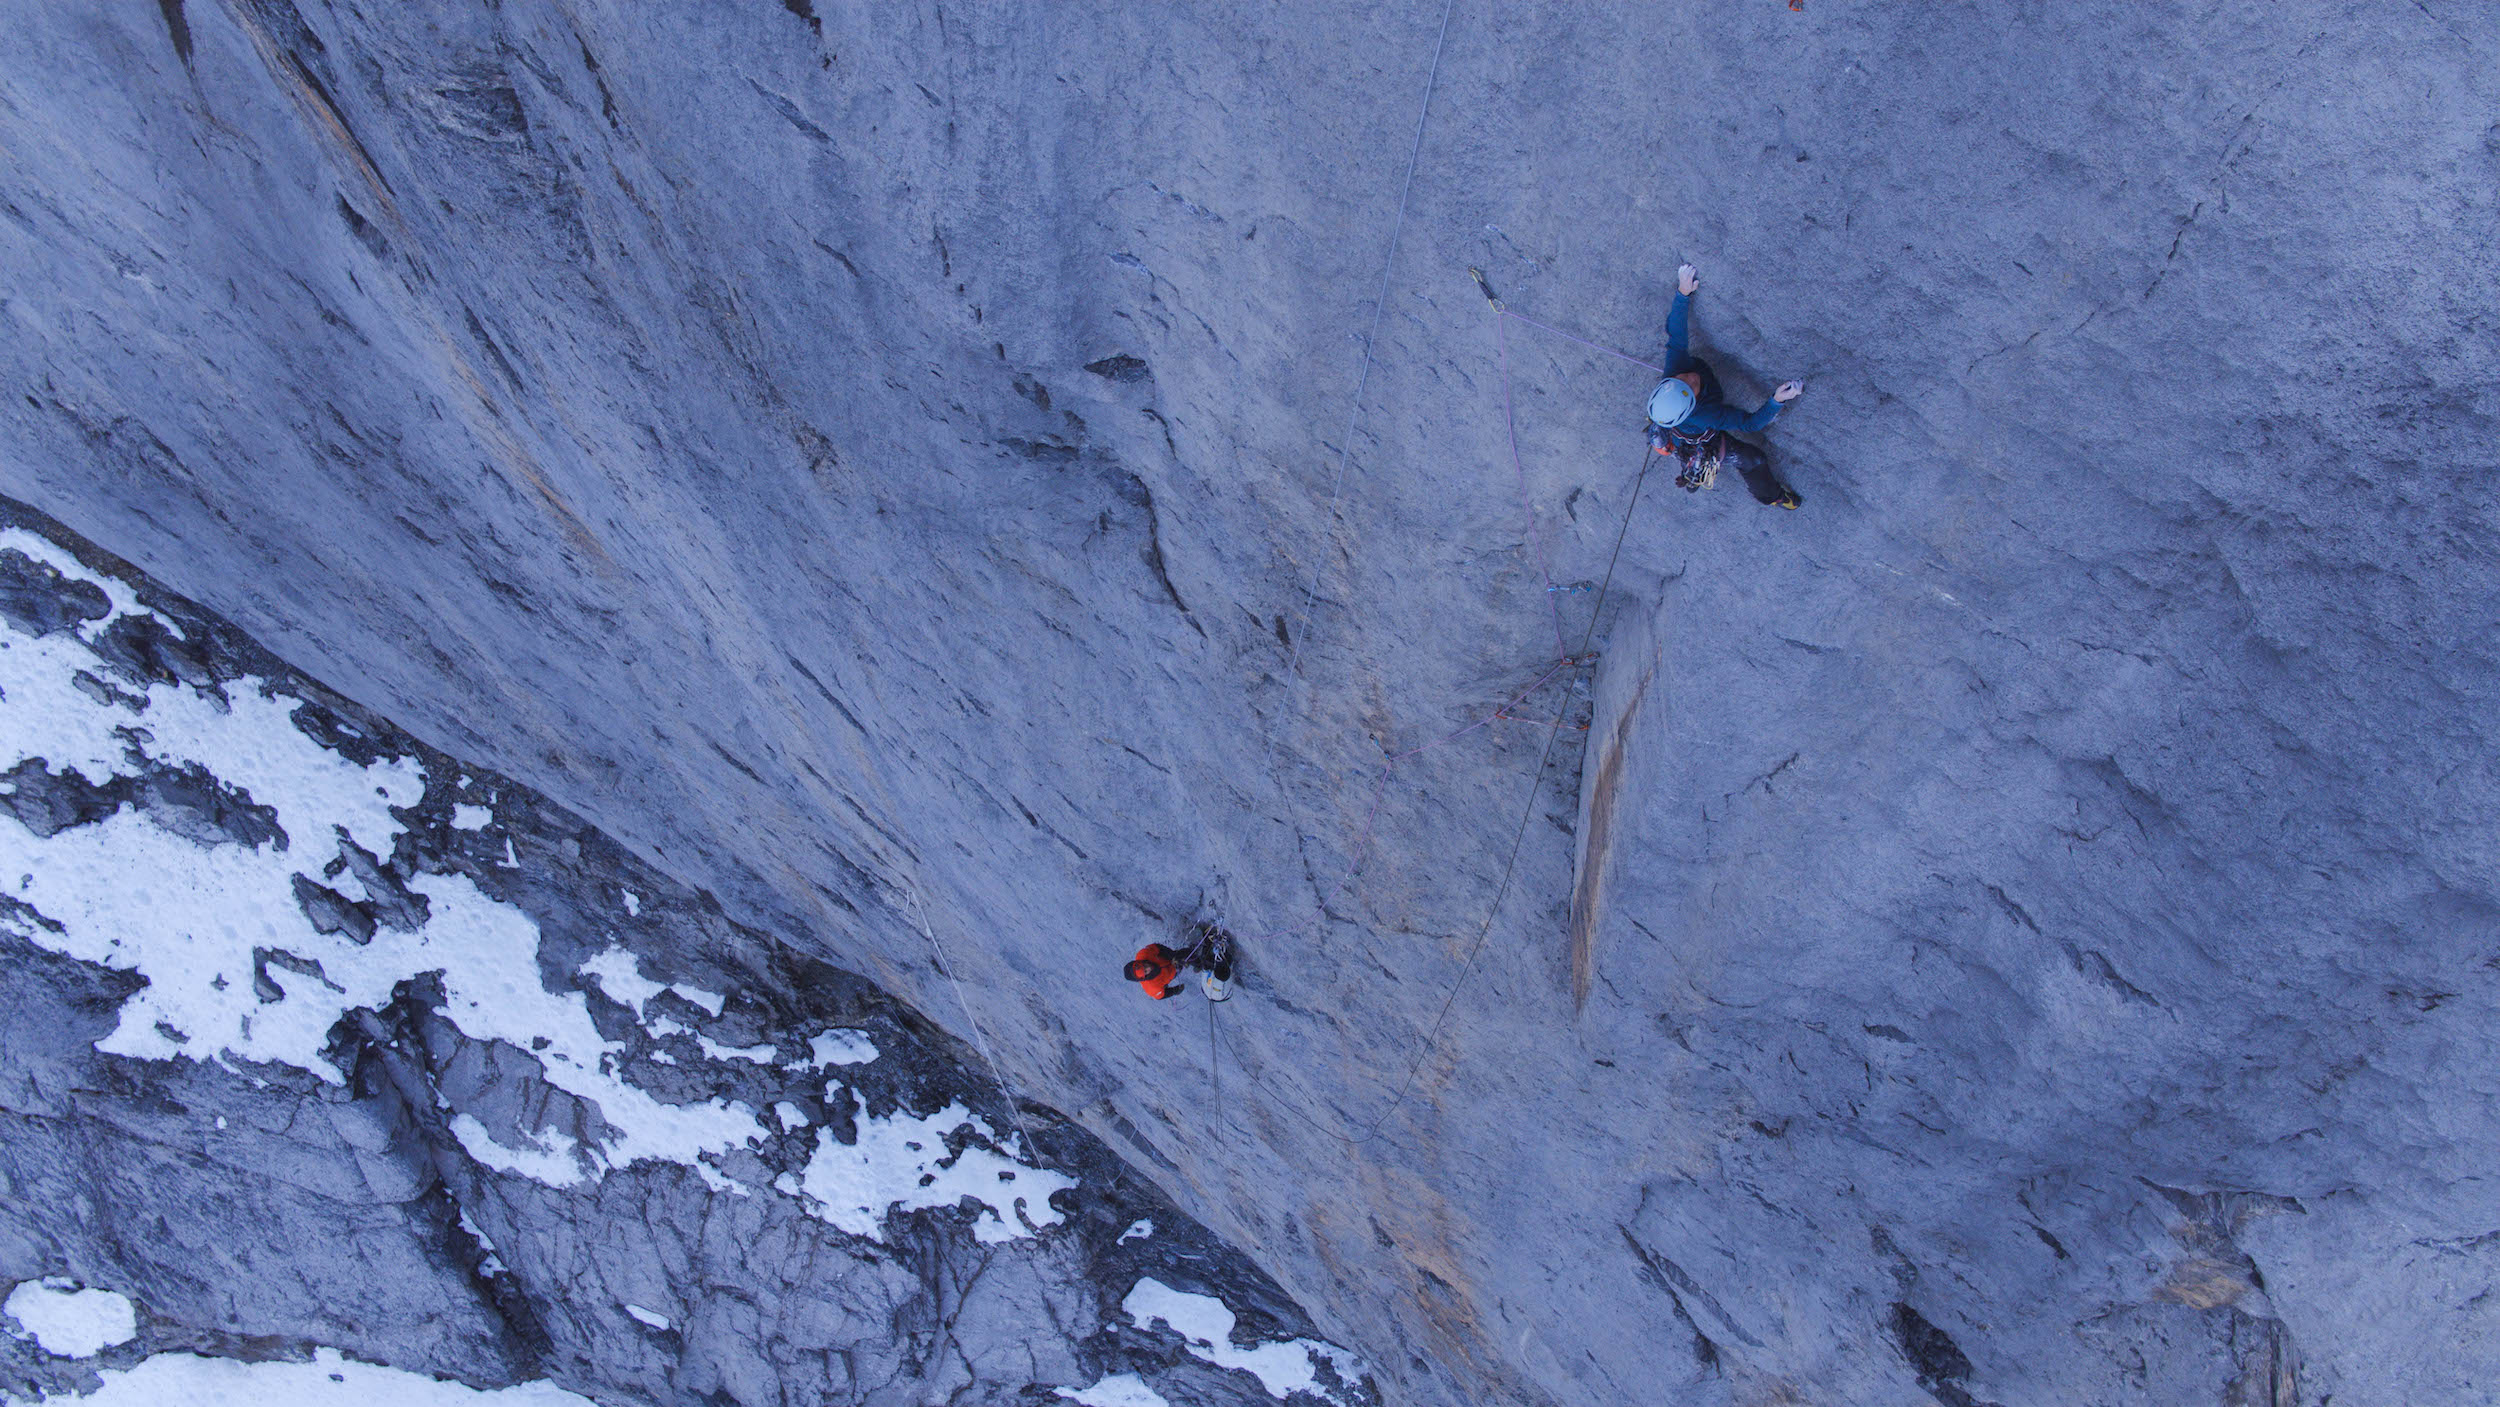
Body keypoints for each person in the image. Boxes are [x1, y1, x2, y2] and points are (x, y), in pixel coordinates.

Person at [1645, 264, 1805, 509]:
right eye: (1690, 385)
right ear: (1692, 405)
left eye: (1682, 380)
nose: (1690, 377)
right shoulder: (1706, 415)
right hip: (1697, 435)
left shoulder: (1674, 374)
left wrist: (1682, 293)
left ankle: (1680, 457)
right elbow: (1749, 423)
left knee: (1672, 437)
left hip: (1679, 427)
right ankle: (1775, 497)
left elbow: (1676, 335)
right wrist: (1777, 400)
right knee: (1753, 459)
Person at [1123, 922, 1235, 1001]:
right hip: (1171, 972)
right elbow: (1162, 995)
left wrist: (1172, 956)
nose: (1148, 968)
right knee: (1183, 961)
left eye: (1144, 965)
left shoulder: (1143, 954)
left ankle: (1199, 963)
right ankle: (1203, 962)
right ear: (1144, 978)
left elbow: (1159, 948)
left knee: (1185, 954)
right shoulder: (1152, 988)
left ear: (1140, 962)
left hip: (1169, 959)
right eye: (1146, 972)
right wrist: (1175, 990)